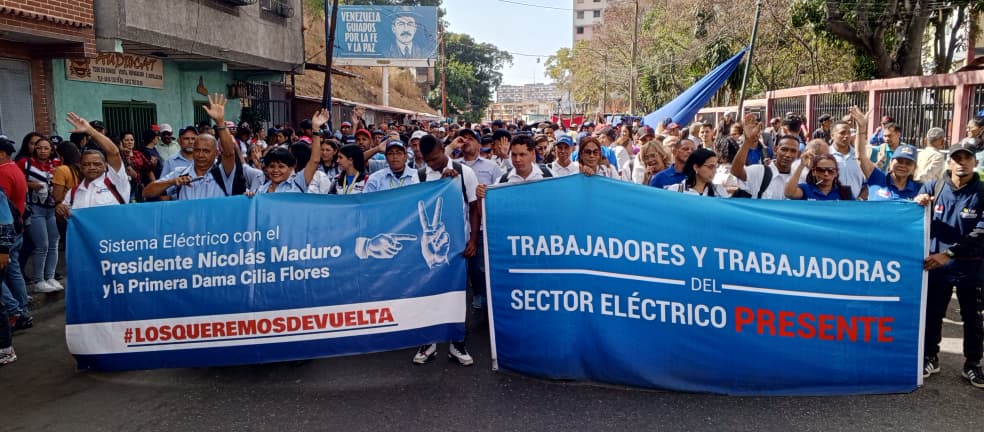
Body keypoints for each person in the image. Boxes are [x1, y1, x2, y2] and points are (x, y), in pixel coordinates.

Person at [918, 139, 984, 388]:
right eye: (957, 158)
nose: (962, 163)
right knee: (933, 314)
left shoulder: (982, 192)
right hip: (936, 266)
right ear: (949, 162)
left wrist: (949, 254)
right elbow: (913, 217)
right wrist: (918, 203)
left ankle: (973, 364)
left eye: (967, 158)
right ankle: (930, 357)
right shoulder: (934, 186)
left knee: (973, 318)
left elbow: (981, 232)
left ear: (975, 162)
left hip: (970, 266)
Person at [413, 134, 479, 366]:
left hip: (458, 247)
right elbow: (416, 208)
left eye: (434, 158)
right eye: (427, 160)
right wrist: (442, 186)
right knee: (429, 295)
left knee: (458, 296)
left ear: (443, 149)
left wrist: (473, 240)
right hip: (429, 248)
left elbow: (474, 208)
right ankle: (428, 343)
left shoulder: (464, 172)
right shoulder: (421, 176)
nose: (431, 164)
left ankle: (457, 344)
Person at [142, 94, 243, 201]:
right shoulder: (180, 173)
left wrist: (220, 122)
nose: (200, 155)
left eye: (206, 151)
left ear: (216, 153)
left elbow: (229, 153)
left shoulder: (222, 172)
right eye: (197, 150)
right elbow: (146, 193)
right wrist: (172, 182)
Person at [56, 113, 129, 215]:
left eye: (97, 164)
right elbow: (66, 219)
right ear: (80, 167)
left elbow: (114, 153)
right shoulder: (73, 193)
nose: (92, 167)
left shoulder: (116, 182)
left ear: (105, 165)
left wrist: (90, 130)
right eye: (86, 164)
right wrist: (60, 211)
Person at [17, 136, 62, 293]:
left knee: (54, 242)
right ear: (34, 149)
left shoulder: (56, 164)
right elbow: (17, 180)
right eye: (39, 147)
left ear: (51, 150)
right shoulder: (25, 163)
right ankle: (39, 280)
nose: (42, 151)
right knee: (42, 245)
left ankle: (50, 277)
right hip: (34, 208)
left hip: (52, 208)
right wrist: (31, 185)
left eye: (46, 148)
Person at [0, 138, 30, 331]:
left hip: (6, 233)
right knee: (14, 271)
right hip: (16, 229)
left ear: (2, 153)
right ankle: (22, 310)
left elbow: (3, 207)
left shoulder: (2, 172)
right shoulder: (14, 168)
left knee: (7, 274)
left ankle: (14, 310)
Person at [732, 116, 800, 200]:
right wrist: (748, 141)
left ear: (798, 154)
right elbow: (736, 171)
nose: (788, 154)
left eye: (793, 151)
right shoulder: (760, 171)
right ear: (775, 150)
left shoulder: (799, 179)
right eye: (784, 149)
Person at [784, 153, 854, 200]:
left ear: (836, 173)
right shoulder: (806, 189)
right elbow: (789, 194)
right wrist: (801, 165)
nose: (826, 174)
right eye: (821, 170)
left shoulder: (845, 193)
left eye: (830, 170)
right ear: (814, 172)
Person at [663, 148, 729, 197]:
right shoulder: (676, 191)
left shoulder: (719, 191)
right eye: (710, 167)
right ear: (696, 167)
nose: (715, 171)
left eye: (716, 167)